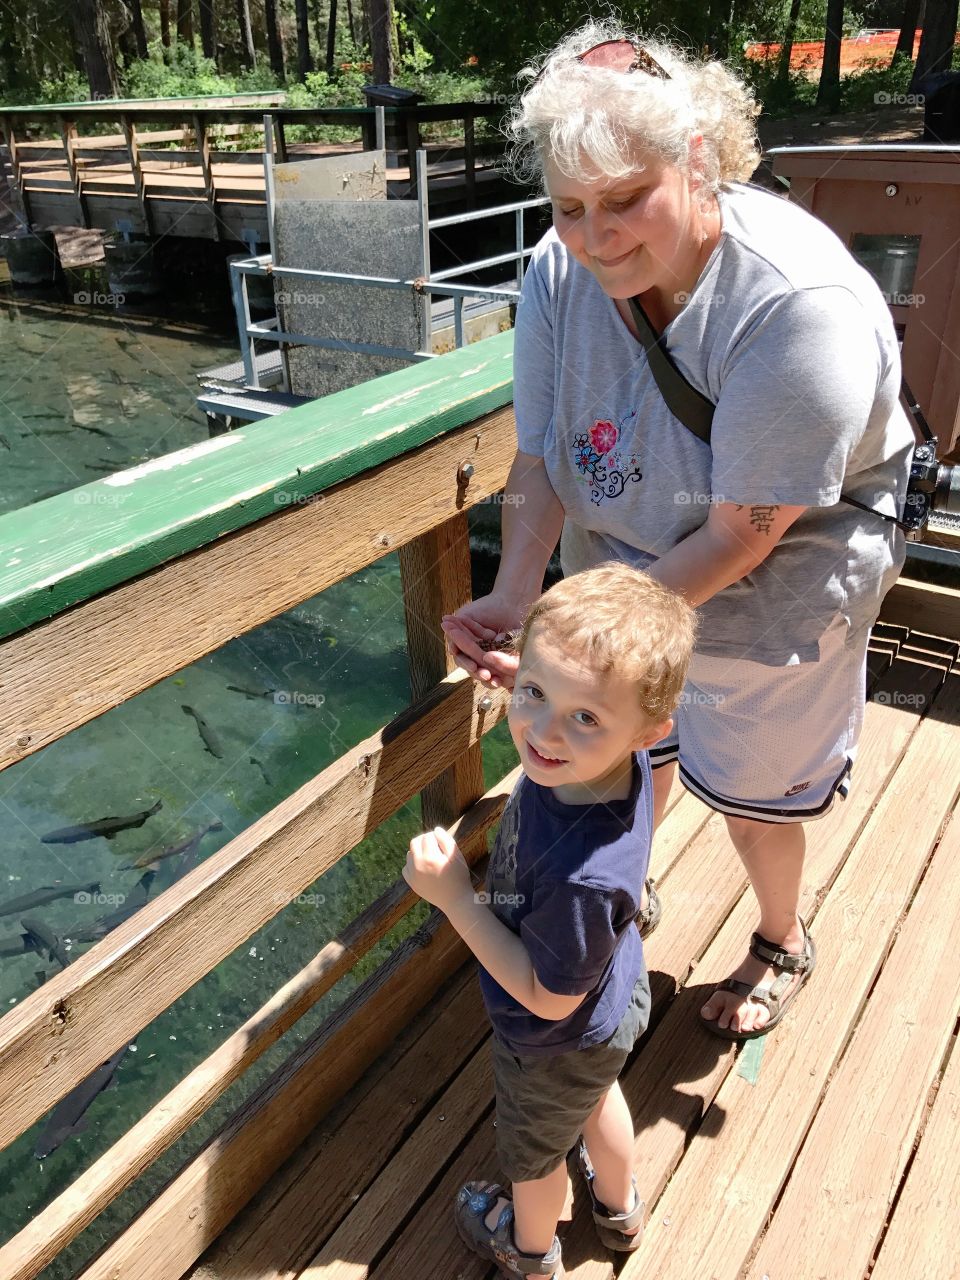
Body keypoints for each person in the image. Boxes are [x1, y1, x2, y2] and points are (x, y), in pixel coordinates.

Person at [442, 19, 915, 1041]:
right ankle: (620, 891)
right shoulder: (558, 267)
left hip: (787, 562)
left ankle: (782, 935)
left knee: (754, 786)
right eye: (570, 207)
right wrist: (518, 592)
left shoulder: (796, 305)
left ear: (698, 161)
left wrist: (582, 635)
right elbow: (541, 458)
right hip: (623, 548)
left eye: (624, 200)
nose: (595, 234)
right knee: (620, 750)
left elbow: (747, 533)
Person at [403, 562, 696, 1279]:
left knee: (535, 1161)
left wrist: (456, 900)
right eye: (532, 692)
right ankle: (621, 1210)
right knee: (600, 1099)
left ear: (650, 731)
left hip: (552, 1036)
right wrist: (549, 690)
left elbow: (546, 995)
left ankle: (529, 1252)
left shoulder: (579, 882)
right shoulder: (607, 764)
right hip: (611, 1002)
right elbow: (572, 707)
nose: (541, 732)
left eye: (583, 717)